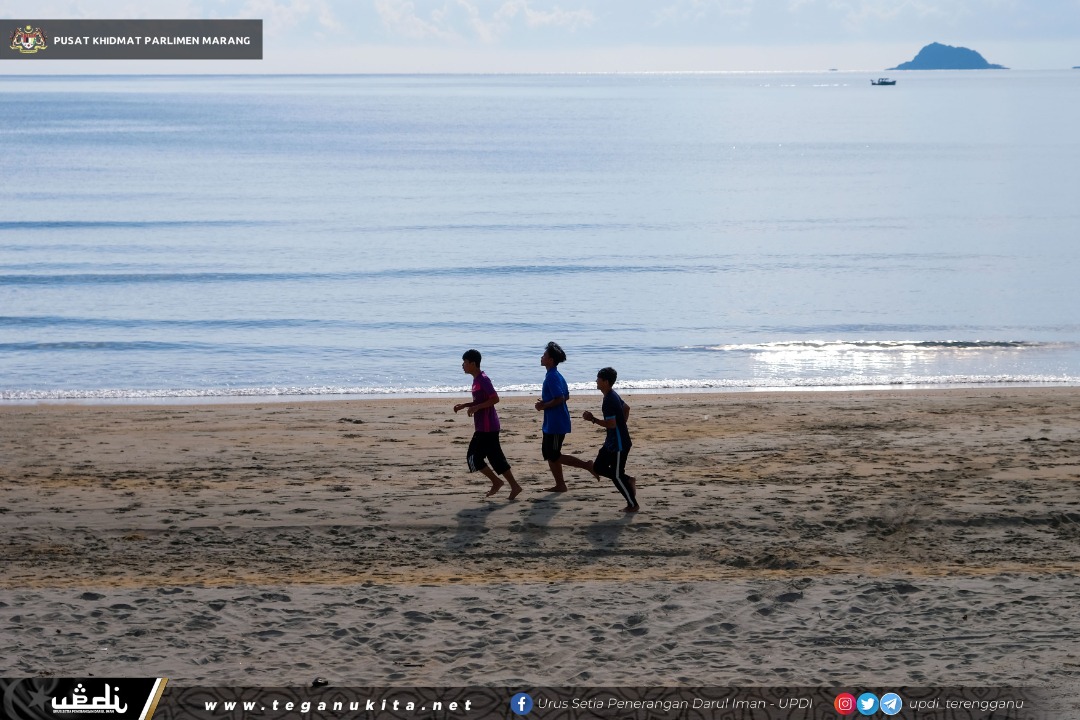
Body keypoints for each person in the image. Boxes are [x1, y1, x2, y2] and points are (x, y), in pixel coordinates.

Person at [560, 366, 639, 512]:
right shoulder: (611, 395)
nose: (596, 380)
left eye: (598, 378)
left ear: (606, 382)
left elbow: (611, 424)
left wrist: (592, 419)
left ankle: (632, 505)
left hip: (619, 445)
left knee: (616, 475)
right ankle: (628, 479)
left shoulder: (609, 399)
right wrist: (621, 425)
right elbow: (626, 408)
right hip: (611, 442)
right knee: (598, 467)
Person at [453, 349, 522, 500]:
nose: (462, 365)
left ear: (473, 363)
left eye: (464, 362)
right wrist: (465, 405)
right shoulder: (476, 380)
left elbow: (495, 398)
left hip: (487, 427)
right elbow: (480, 401)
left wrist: (476, 407)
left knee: (473, 457)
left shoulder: (483, 379)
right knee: (496, 458)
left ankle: (497, 482)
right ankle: (514, 486)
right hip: (487, 426)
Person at [534, 341, 572, 492]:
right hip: (551, 422)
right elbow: (566, 396)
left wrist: (545, 405)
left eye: (544, 355)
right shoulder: (554, 375)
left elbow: (561, 398)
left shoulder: (552, 377)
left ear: (550, 360)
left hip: (557, 423)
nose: (541, 357)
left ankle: (586, 465)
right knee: (548, 454)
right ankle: (560, 484)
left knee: (553, 455)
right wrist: (545, 402)